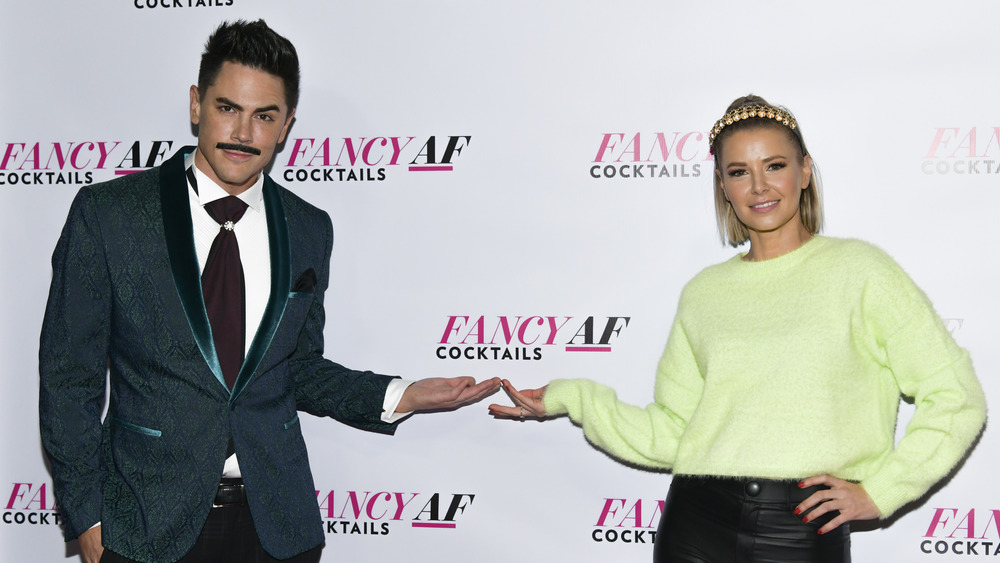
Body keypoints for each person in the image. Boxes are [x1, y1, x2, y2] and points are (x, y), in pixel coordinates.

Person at [38, 19, 499, 563]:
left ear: (285, 127)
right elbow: (70, 374)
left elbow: (298, 369)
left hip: (276, 527)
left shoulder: (308, 228)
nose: (242, 132)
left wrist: (403, 396)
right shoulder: (110, 216)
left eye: (264, 116)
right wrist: (87, 513)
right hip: (143, 524)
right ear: (196, 105)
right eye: (227, 108)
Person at [489, 94, 987, 562]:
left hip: (801, 531)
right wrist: (569, 398)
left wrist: (882, 491)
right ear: (723, 187)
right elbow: (674, 432)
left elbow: (956, 396)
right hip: (695, 523)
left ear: (805, 172)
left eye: (774, 166)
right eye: (738, 172)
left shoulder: (862, 272)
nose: (759, 187)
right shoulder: (705, 293)